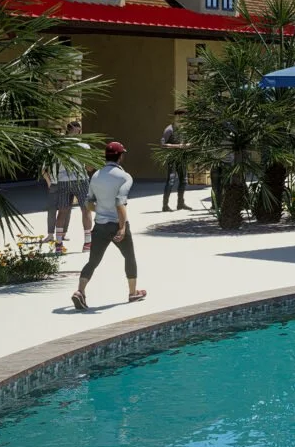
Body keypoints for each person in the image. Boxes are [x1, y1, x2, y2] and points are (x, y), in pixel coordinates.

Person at [72, 141, 145, 310]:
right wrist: (122, 227)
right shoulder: (125, 177)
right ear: (120, 157)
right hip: (116, 224)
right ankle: (133, 293)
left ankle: (80, 292)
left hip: (100, 226)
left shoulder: (96, 176)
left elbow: (88, 203)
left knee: (93, 261)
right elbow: (120, 202)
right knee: (129, 257)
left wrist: (101, 210)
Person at [41, 120, 92, 253]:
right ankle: (87, 243)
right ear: (79, 131)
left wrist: (50, 181)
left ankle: (58, 245)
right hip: (81, 180)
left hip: (63, 181)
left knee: (62, 211)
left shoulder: (58, 146)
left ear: (67, 130)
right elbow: (89, 167)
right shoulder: (84, 146)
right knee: (85, 210)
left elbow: (50, 165)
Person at [159, 111, 190, 211]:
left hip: (182, 158)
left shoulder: (184, 129)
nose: (182, 118)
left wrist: (189, 144)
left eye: (183, 116)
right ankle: (165, 206)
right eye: (180, 116)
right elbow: (162, 144)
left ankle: (180, 204)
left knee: (184, 181)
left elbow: (186, 142)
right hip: (172, 158)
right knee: (171, 181)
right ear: (175, 117)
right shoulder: (169, 129)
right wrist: (178, 146)